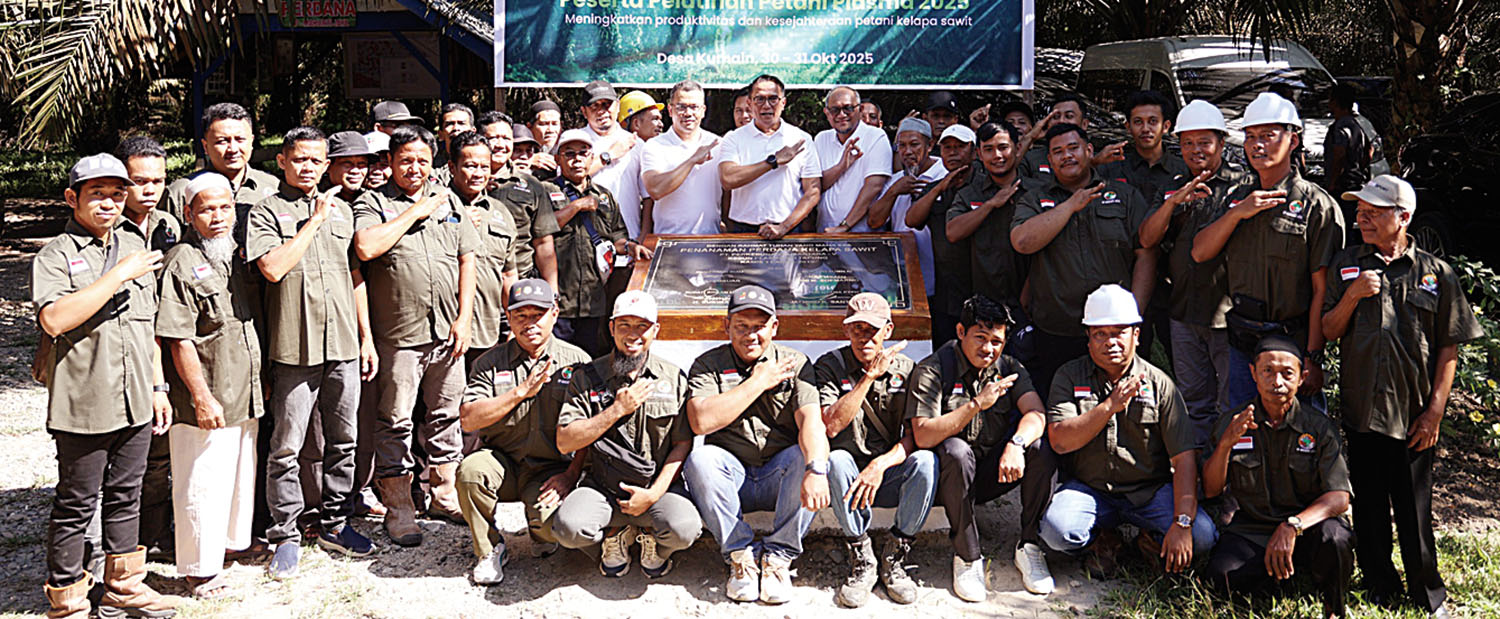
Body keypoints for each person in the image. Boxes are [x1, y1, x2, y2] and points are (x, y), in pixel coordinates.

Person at [1322, 175, 1481, 618]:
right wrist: (1353, 295)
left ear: (1403, 217)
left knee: (1414, 512)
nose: (1361, 218)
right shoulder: (1346, 266)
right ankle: (1379, 586)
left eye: (1373, 212)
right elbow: (1329, 330)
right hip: (1361, 409)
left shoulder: (1436, 273)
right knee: (1370, 508)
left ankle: (1429, 595)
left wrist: (1434, 413)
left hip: (1413, 416)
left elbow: (1449, 348)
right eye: (1360, 211)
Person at [34, 154, 181, 618]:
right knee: (76, 503)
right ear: (72, 198)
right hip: (84, 401)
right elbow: (54, 319)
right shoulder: (56, 253)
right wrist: (117, 276)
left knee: (126, 494)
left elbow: (148, 326)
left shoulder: (133, 243)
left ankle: (124, 585)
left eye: (117, 194)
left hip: (136, 396)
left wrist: (158, 387)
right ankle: (68, 598)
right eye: (97, 194)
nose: (109, 203)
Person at [247, 127, 373, 577]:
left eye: (317, 161)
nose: (308, 168)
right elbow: (273, 268)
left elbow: (355, 274)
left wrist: (366, 336)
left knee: (344, 440)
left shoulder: (344, 210)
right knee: (287, 447)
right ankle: (285, 533)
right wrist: (314, 222)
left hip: (341, 343)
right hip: (293, 347)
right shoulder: (266, 211)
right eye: (299, 159)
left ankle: (336, 524)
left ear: (326, 164)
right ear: (282, 161)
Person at [352, 125, 480, 545]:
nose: (415, 167)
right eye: (406, 159)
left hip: (447, 331)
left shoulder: (450, 201)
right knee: (396, 421)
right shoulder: (373, 202)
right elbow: (366, 248)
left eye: (423, 159)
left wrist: (464, 319)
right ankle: (400, 506)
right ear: (389, 162)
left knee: (445, 416)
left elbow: (467, 260)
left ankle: (443, 495)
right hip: (398, 336)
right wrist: (414, 213)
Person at [1039, 285, 1216, 577]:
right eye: (1100, 334)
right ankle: (1104, 540)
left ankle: (1149, 541)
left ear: (1136, 334)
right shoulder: (1069, 376)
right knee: (1056, 532)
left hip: (1148, 493)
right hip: (1091, 490)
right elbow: (1059, 441)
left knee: (1202, 535)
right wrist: (1109, 406)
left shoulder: (1160, 384)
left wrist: (1182, 523)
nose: (1110, 342)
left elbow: (1184, 458)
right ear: (1088, 338)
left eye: (1119, 332)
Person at [1191, 92, 1344, 411]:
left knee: (1301, 441)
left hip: (1291, 343)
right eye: (1250, 137)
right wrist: (1237, 213)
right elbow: (1200, 253)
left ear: (1293, 140)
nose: (1257, 145)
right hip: (1242, 341)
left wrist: (1314, 357)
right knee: (1244, 434)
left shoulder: (1317, 205)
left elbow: (1321, 291)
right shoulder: (1236, 197)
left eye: (1267, 136)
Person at [682, 285, 831, 604]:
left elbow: (811, 421)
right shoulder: (708, 364)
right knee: (701, 460)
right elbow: (701, 422)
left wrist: (816, 469)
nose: (751, 335)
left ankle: (778, 558)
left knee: (808, 455)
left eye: (759, 326)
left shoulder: (796, 363)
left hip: (779, 476)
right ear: (727, 326)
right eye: (741, 326)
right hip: (732, 477)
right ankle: (741, 557)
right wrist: (758, 381)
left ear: (774, 327)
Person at [156, 173, 265, 599]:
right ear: (189, 213)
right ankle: (199, 570)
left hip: (244, 388)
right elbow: (177, 337)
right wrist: (201, 396)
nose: (217, 217)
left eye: (224, 208)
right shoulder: (181, 261)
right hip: (209, 392)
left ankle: (231, 546)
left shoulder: (233, 256)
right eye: (206, 209)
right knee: (201, 478)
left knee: (238, 475)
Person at [908, 295, 1056, 600]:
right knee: (955, 450)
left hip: (989, 472)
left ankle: (1028, 546)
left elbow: (1036, 413)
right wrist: (976, 405)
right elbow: (922, 436)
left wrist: (1016, 443)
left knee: (1040, 446)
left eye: (996, 341)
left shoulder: (1009, 367)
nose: (988, 349)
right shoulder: (934, 369)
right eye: (980, 338)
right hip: (943, 480)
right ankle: (967, 556)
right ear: (961, 331)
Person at [1202, 336, 1355, 619]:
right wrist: (1225, 445)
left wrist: (1292, 525)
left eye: (1287, 373)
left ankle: (1333, 605)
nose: (1277, 382)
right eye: (1268, 372)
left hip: (1307, 528)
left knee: (1336, 539)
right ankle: (1278, 575)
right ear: (1253, 374)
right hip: (1253, 530)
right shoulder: (1232, 422)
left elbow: (1339, 498)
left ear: (1302, 378)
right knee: (1220, 577)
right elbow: (1211, 491)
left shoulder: (1319, 428)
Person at [553, 291, 702, 578]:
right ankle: (614, 536)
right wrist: (616, 410)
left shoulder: (672, 379)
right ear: (611, 328)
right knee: (568, 528)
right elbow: (565, 439)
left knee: (685, 529)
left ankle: (654, 543)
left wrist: (653, 494)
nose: (632, 335)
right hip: (603, 489)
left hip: (657, 490)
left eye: (641, 326)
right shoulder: (587, 377)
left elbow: (682, 444)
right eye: (624, 325)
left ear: (655, 330)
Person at [457, 279, 591, 584]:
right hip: (502, 462)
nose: (529, 324)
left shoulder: (578, 362)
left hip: (550, 469)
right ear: (509, 317)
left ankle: (539, 530)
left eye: (537, 314)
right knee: (469, 471)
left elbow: (589, 431)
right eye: (521, 316)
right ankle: (489, 548)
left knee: (551, 528)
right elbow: (468, 419)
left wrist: (571, 475)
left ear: (555, 313)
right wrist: (520, 392)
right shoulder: (489, 363)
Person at [1011, 124, 1155, 396]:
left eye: (1073, 148)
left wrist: (1133, 313)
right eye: (1058, 152)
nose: (1067, 156)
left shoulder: (1124, 196)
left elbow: (1145, 253)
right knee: (1060, 404)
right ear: (1049, 160)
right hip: (1058, 328)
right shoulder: (1035, 199)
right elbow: (1022, 242)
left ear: (1089, 151)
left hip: (1114, 328)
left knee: (1121, 400)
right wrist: (1069, 206)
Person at [814, 293, 935, 607]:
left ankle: (895, 554)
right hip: (849, 477)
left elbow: (914, 437)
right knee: (837, 460)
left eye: (872, 329)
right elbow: (831, 426)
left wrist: (880, 466)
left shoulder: (909, 369)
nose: (864, 337)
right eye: (857, 329)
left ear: (888, 330)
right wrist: (868, 376)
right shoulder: (830, 365)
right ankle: (862, 555)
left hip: (888, 469)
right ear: (846, 331)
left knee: (925, 461)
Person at [1137, 100, 1246, 438]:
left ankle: (1230, 478)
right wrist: (1174, 203)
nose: (1195, 150)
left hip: (1228, 314)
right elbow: (1147, 238)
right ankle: (1198, 475)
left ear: (1221, 143)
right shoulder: (1173, 183)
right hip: (1183, 310)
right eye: (1187, 143)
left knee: (1232, 403)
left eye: (1204, 142)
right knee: (1194, 402)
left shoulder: (1243, 184)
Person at [113, 136, 182, 562]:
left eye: (158, 180)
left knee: (159, 450)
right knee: (123, 459)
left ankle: (153, 536)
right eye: (139, 181)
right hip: (125, 352)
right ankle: (116, 546)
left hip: (164, 344)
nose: (150, 189)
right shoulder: (106, 228)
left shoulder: (168, 225)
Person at [1098, 91, 1191, 366]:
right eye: (1138, 122)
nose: (1145, 128)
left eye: (1153, 121)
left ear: (1167, 126)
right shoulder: (1113, 166)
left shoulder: (1182, 169)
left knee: (1182, 356)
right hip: (1122, 271)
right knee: (1128, 353)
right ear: (1127, 127)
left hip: (1171, 275)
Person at [548, 129, 649, 357]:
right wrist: (576, 207)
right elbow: (542, 228)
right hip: (561, 298)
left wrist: (632, 247)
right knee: (558, 362)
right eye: (569, 154)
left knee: (593, 359)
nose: (577, 160)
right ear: (558, 159)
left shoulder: (604, 196)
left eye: (583, 154)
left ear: (591, 158)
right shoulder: (545, 190)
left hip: (595, 299)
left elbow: (617, 236)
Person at [949, 123, 1034, 331]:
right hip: (986, 308)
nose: (997, 155)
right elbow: (953, 232)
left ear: (1017, 147)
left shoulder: (1037, 191)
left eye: (1003, 147)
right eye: (988, 149)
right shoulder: (970, 194)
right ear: (979, 154)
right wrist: (991, 205)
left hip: (1033, 305)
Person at [718, 74, 822, 239]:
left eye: (773, 99)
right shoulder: (734, 138)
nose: (766, 105)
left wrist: (784, 227)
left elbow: (813, 192)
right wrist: (772, 162)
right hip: (743, 230)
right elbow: (728, 179)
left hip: (788, 229)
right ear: (750, 103)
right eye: (759, 99)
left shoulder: (801, 139)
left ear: (783, 103)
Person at [904, 124, 976, 349]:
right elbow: (912, 220)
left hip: (981, 285)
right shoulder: (935, 187)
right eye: (947, 148)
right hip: (947, 293)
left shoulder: (986, 184)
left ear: (974, 151)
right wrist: (939, 187)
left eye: (960, 147)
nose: (953, 152)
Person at [448, 130, 519, 359]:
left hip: (489, 330)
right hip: (445, 328)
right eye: (470, 166)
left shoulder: (501, 213)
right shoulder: (434, 206)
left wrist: (514, 324)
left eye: (484, 167)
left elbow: (509, 275)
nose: (478, 173)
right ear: (452, 167)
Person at [475, 113, 560, 290]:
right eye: (493, 138)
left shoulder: (532, 186)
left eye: (506, 138)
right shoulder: (459, 182)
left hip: (520, 286)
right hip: (472, 284)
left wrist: (553, 293)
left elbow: (544, 244)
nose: (500, 145)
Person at [867, 118, 945, 304]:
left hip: (940, 273)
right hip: (902, 276)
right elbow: (874, 221)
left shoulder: (944, 174)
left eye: (914, 144)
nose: (907, 151)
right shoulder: (894, 180)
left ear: (930, 145)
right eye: (901, 146)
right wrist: (894, 191)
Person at [164, 103, 279, 226]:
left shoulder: (273, 187)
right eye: (222, 141)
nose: (233, 149)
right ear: (205, 146)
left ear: (251, 142)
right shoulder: (180, 192)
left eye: (240, 139)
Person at [641, 80, 724, 235]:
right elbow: (655, 189)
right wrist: (692, 160)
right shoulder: (655, 145)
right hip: (668, 239)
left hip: (710, 237)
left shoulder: (717, 143)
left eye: (694, 107)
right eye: (681, 107)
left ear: (703, 110)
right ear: (670, 110)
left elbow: (729, 193)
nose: (688, 113)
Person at [814, 86, 892, 233]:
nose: (841, 115)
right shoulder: (821, 138)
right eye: (835, 110)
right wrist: (841, 167)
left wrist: (844, 226)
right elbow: (816, 185)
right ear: (826, 113)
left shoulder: (876, 136)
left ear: (859, 109)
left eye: (848, 108)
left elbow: (874, 187)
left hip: (862, 235)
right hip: (825, 232)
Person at [580, 81, 647, 240]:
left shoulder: (637, 144)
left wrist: (643, 237)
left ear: (617, 106)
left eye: (606, 105)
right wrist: (609, 155)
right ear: (584, 111)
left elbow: (648, 197)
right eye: (594, 106)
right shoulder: (574, 139)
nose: (602, 111)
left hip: (630, 240)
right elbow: (568, 180)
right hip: (587, 244)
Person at [1324, 83, 1373, 241]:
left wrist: (1333, 180)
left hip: (1342, 185)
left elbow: (1339, 153)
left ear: (1336, 102)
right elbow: (1369, 151)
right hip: (1355, 182)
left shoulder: (1340, 126)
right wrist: (1359, 169)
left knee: (1340, 224)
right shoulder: (1357, 125)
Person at [325, 131, 374, 203]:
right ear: (328, 167)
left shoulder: (372, 200)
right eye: (347, 164)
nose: (355, 171)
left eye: (361, 164)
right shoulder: (317, 200)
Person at [528, 100, 564, 177]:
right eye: (543, 124)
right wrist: (528, 161)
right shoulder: (521, 152)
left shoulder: (568, 150)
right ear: (530, 127)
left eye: (555, 124)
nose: (550, 130)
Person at [435, 102, 475, 169]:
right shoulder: (431, 166)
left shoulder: (484, 160)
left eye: (462, 123)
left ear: (473, 131)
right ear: (440, 134)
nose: (456, 128)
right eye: (449, 124)